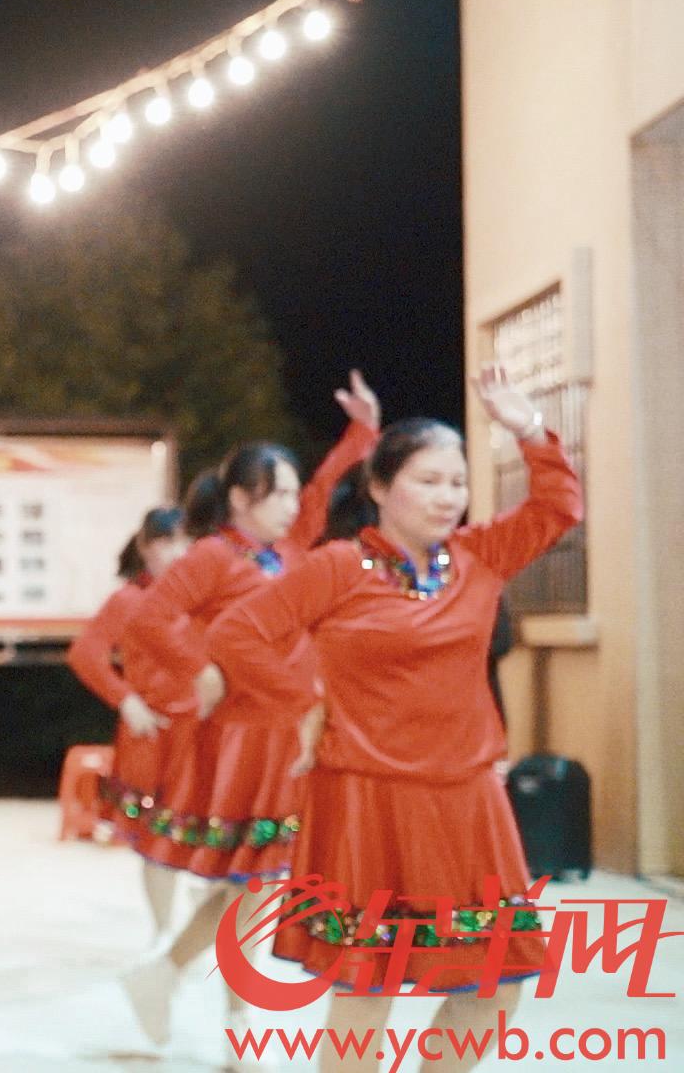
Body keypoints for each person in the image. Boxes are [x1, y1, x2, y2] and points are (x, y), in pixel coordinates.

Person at [208, 366, 579, 1073]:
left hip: (468, 799)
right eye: (428, 480)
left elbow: (558, 508)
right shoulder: (335, 568)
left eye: (457, 482)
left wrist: (530, 431)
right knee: (367, 987)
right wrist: (305, 704)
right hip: (365, 799)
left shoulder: (479, 557)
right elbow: (236, 635)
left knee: (497, 983)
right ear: (379, 488)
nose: (448, 496)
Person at [119, 372, 381, 1045]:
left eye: (293, 493)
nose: (294, 505)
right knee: (255, 882)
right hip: (242, 736)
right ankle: (230, 1013)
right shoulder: (212, 555)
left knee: (251, 883)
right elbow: (149, 619)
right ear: (240, 498)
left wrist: (362, 432)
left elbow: (323, 489)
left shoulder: (290, 549)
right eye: (278, 493)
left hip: (289, 728)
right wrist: (199, 668)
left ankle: (177, 983)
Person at [65, 507, 192, 942]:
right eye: (167, 542)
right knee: (158, 838)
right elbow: (86, 653)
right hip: (153, 731)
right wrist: (126, 700)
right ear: (145, 547)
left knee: (211, 833)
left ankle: (200, 931)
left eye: (186, 541)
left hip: (205, 730)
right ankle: (164, 932)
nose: (177, 552)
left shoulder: (208, 597)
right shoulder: (130, 600)